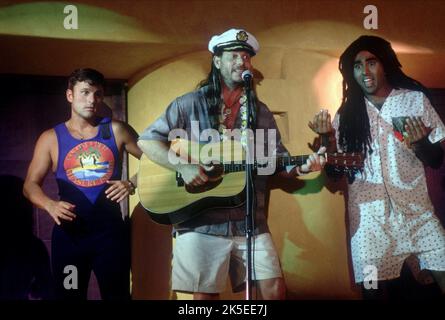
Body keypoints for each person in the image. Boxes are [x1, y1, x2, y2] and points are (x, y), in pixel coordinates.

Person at [137, 28, 326, 300]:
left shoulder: (260, 113)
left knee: (274, 289)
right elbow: (148, 141)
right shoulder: (188, 104)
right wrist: (185, 167)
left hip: (250, 221)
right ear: (217, 61)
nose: (241, 62)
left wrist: (303, 167)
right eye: (234, 56)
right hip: (200, 221)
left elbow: (279, 161)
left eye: (246, 57)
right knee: (204, 298)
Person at [308, 35, 445, 299]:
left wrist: (421, 144)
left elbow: (436, 159)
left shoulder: (415, 101)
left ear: (385, 65)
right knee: (372, 293)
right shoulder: (346, 115)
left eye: (371, 62)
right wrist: (327, 140)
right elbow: (336, 173)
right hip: (369, 223)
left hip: (418, 214)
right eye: (357, 66)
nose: (364, 71)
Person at [23, 68, 143, 300]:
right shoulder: (50, 137)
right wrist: (49, 205)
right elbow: (29, 185)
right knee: (69, 296)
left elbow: (156, 160)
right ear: (70, 95)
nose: (92, 100)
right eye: (85, 92)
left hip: (110, 236)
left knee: (117, 296)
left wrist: (132, 182)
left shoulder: (116, 130)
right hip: (70, 239)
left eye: (98, 94)